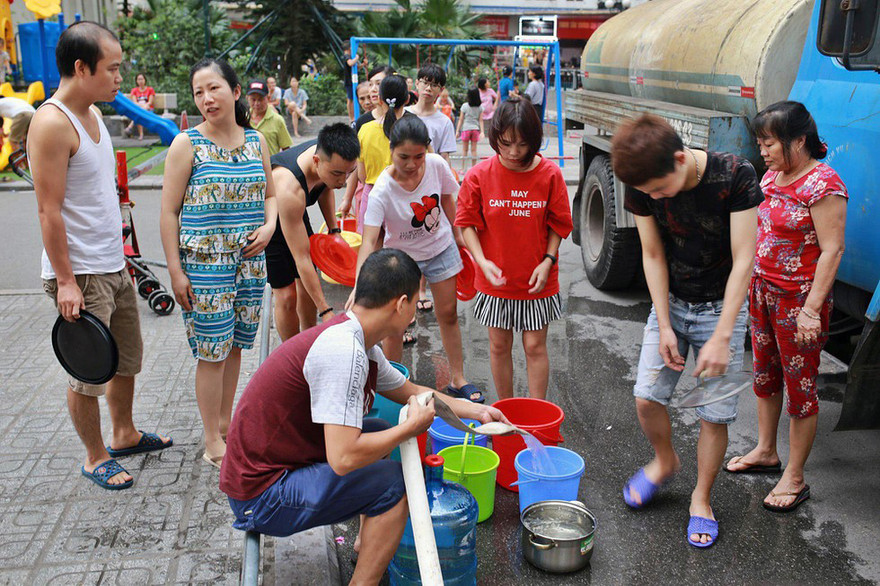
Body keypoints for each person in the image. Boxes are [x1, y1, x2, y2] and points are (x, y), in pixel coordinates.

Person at [220, 248, 508, 584]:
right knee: (397, 484)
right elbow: (342, 458)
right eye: (416, 301)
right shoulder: (343, 353)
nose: (417, 310)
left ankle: (367, 540)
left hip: (276, 470)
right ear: (400, 304)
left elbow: (410, 390)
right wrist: (410, 429)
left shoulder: (357, 338)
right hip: (261, 495)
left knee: (377, 427)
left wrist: (479, 411)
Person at [30, 21, 172, 491]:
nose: (119, 78)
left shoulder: (92, 114)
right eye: (111, 69)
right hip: (81, 274)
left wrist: (123, 257)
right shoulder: (52, 123)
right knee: (89, 372)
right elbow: (48, 211)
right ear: (80, 67)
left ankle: (124, 434)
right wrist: (66, 282)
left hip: (113, 264)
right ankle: (94, 457)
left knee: (126, 358)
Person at [610, 114, 762, 548]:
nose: (655, 198)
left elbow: (744, 258)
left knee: (713, 413)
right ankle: (665, 460)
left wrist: (723, 333)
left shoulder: (735, 175)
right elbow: (653, 255)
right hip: (671, 302)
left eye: (659, 189)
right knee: (646, 397)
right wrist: (664, 321)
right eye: (649, 194)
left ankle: (701, 497)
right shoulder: (642, 182)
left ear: (680, 159)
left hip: (723, 308)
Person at [724, 101, 847, 513]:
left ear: (799, 140)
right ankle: (765, 451)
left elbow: (832, 251)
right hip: (763, 292)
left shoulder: (823, 184)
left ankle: (794, 476)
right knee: (765, 374)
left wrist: (812, 309)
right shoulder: (774, 175)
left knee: (800, 389)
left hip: (799, 303)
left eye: (769, 142)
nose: (763, 150)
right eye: (760, 142)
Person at [160, 58, 277, 469]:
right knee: (211, 352)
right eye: (198, 92)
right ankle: (211, 436)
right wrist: (175, 271)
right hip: (204, 265)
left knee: (235, 348)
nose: (206, 99)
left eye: (214, 88)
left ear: (235, 90)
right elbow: (168, 212)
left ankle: (227, 424)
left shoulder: (257, 141)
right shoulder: (186, 144)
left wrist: (270, 226)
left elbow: (270, 194)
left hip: (248, 262)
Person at [351, 116, 484, 403]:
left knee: (448, 314)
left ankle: (457, 378)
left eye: (418, 156)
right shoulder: (381, 190)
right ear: (391, 150)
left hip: (440, 248)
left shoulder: (435, 165)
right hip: (402, 262)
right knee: (395, 324)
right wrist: (357, 284)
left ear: (427, 149)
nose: (411, 164)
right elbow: (370, 240)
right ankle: (394, 385)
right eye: (403, 157)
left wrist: (460, 236)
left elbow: (449, 198)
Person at [455, 96, 572, 402]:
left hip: (537, 279)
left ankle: (536, 413)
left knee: (534, 347)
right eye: (505, 143)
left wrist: (548, 261)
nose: (513, 152)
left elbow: (560, 224)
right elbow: (465, 222)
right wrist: (481, 261)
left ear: (533, 141)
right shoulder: (480, 175)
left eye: (521, 144)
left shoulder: (549, 174)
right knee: (498, 346)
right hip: (496, 280)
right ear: (495, 137)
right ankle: (506, 411)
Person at [266, 123, 359, 340]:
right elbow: (302, 257)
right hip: (269, 218)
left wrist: (334, 230)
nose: (343, 181)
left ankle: (309, 339)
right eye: (338, 173)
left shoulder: (329, 161)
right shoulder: (289, 188)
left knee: (307, 287)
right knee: (287, 295)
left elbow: (326, 186)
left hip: (294, 214)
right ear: (317, 162)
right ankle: (291, 352)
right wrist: (326, 311)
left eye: (349, 173)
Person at [339, 66, 395, 229]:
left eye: (378, 84)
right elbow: (357, 165)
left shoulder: (404, 119)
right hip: (369, 192)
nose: (373, 90)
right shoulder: (363, 123)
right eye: (370, 84)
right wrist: (347, 199)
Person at [405, 63, 456, 162]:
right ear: (417, 83)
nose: (428, 88)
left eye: (434, 85)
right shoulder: (403, 114)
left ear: (441, 90)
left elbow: (444, 157)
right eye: (425, 83)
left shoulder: (445, 122)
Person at [247, 79, 292, 156]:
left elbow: (286, 149)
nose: (257, 103)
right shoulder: (243, 119)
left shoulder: (277, 120)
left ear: (268, 98)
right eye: (253, 99)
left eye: (260, 99)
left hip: (271, 166)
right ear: (247, 98)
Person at [455, 88, 484, 171]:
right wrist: (482, 132)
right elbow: (481, 120)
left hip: (466, 129)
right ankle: (474, 168)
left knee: (465, 150)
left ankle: (463, 168)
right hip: (475, 130)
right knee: (474, 150)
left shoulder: (464, 106)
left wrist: (457, 131)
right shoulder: (480, 108)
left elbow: (461, 119)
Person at [123, 72, 154, 140]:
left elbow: (150, 102)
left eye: (142, 79)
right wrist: (142, 106)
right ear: (136, 81)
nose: (140, 81)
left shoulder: (150, 89)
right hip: (139, 109)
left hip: (148, 110)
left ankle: (130, 127)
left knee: (139, 113)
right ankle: (140, 134)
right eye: (139, 79)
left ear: (145, 80)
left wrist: (145, 106)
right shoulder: (134, 90)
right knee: (139, 114)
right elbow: (135, 103)